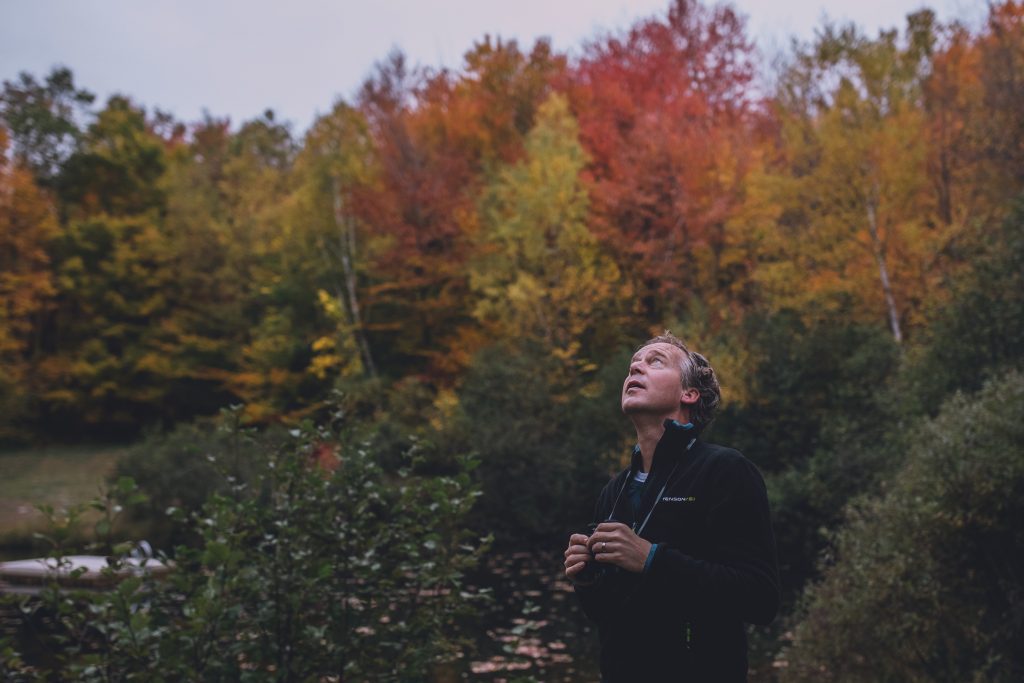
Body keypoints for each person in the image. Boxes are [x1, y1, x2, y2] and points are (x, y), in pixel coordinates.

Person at [563, 333, 779, 682]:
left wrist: (651, 559)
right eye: (634, 363)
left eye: (655, 361)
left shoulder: (724, 470)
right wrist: (588, 581)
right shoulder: (614, 491)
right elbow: (608, 615)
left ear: (688, 394)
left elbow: (760, 598)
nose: (635, 366)